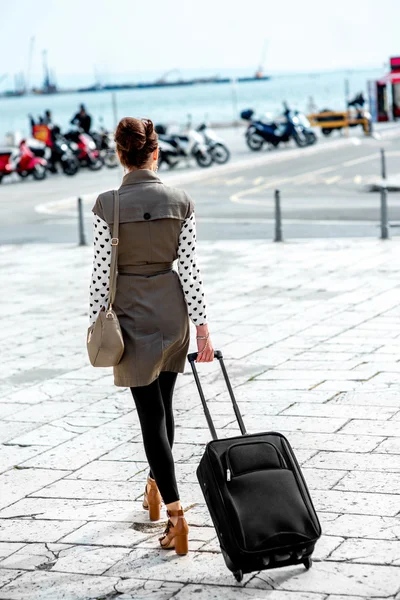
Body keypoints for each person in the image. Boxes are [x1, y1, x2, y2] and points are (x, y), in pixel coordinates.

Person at [88, 117, 213, 556]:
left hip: (131, 318)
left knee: (149, 416)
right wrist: (202, 328)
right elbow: (191, 270)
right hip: (174, 311)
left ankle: (176, 517)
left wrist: (94, 324)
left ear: (120, 155)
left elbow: (102, 274)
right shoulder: (181, 200)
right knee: (164, 406)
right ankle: (155, 490)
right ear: (154, 153)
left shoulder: (108, 204)